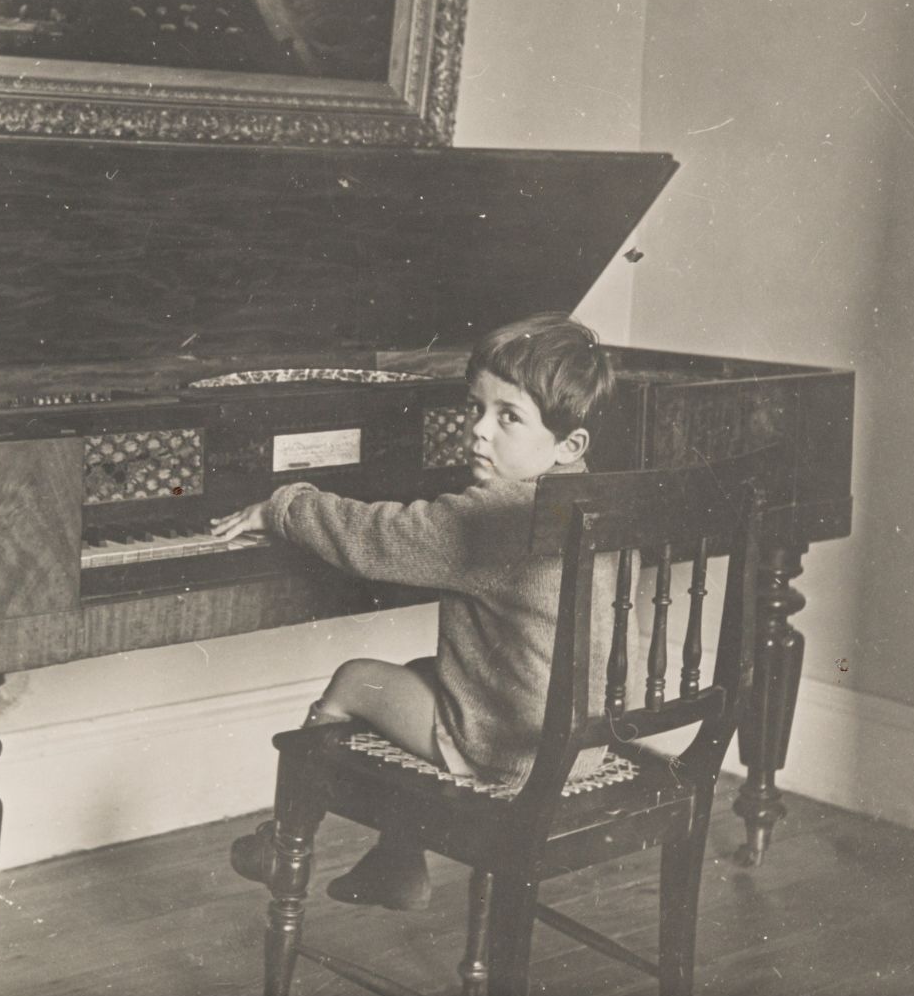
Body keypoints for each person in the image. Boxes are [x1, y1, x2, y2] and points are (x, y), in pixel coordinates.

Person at [212, 312, 621, 911]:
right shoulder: (593, 497)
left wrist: (284, 504)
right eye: (475, 408)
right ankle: (397, 865)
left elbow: (375, 536)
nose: (479, 431)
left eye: (508, 417)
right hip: (586, 739)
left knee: (356, 678)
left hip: (512, 752)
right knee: (422, 672)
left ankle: (284, 842)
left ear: (569, 445)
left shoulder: (491, 519)